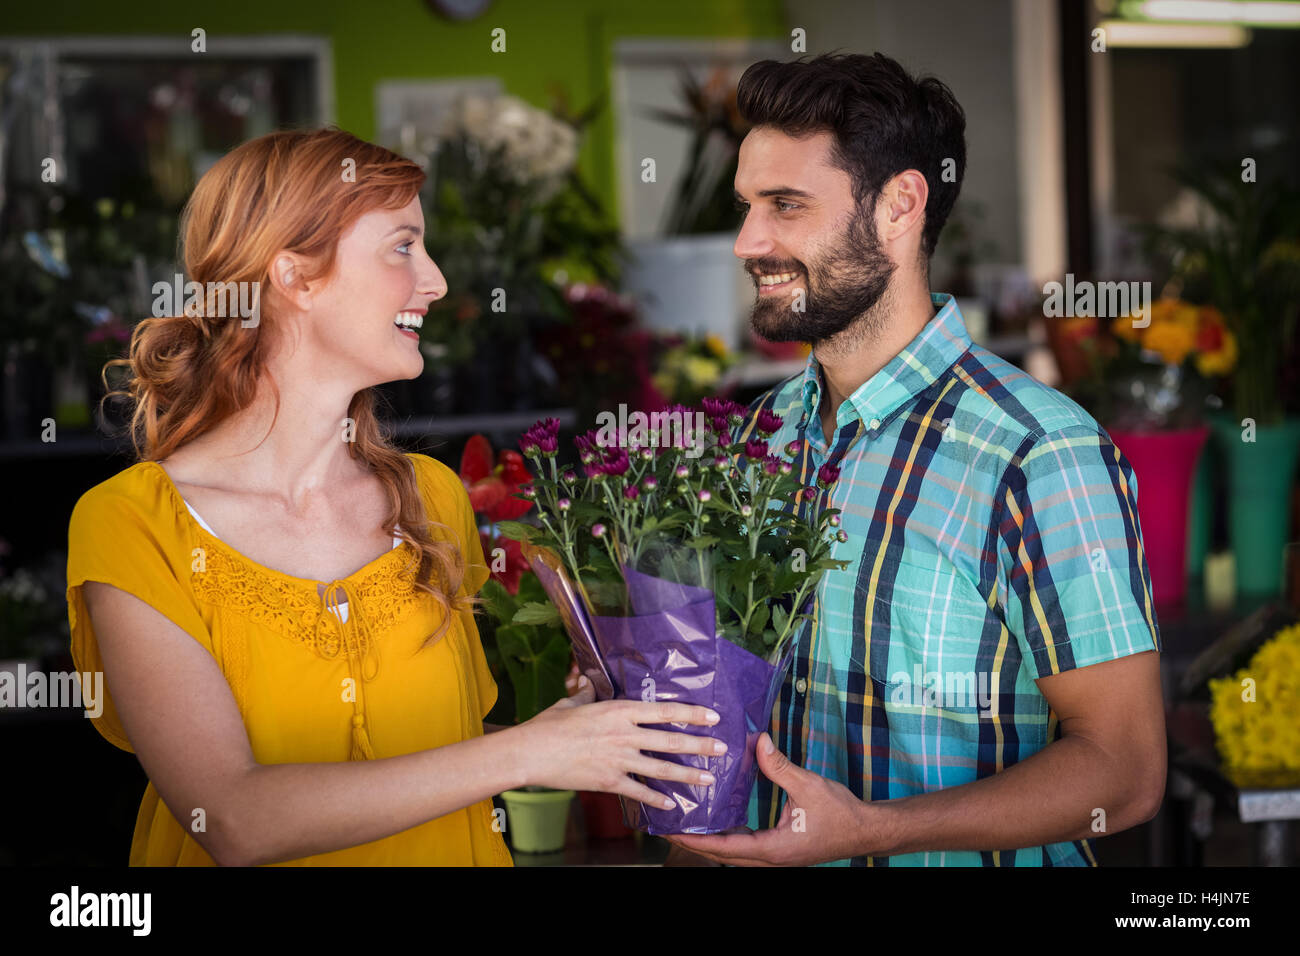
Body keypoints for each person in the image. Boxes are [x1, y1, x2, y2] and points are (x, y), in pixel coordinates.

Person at [66, 127, 724, 867]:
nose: (436, 281)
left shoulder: (432, 497)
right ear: (294, 275)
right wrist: (532, 754)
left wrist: (582, 730)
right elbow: (232, 819)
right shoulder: (134, 523)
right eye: (403, 246)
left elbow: (445, 762)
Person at [665, 53, 1166, 867]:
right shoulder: (759, 438)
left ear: (900, 204)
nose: (748, 241)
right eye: (747, 207)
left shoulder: (1038, 453)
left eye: (786, 205)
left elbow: (1127, 772)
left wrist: (876, 831)